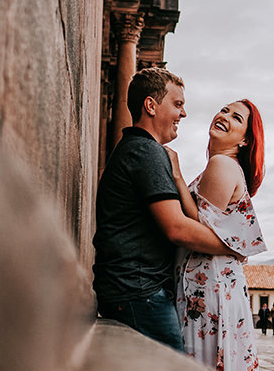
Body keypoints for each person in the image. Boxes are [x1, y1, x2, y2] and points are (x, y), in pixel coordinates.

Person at [93, 68, 236, 350]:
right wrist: (232, 246)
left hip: (132, 293)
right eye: (178, 104)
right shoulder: (146, 152)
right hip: (139, 295)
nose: (183, 114)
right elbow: (177, 228)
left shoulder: (136, 149)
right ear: (151, 105)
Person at [172, 98, 267, 371]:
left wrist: (175, 175)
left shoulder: (222, 164)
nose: (224, 116)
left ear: (245, 140)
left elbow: (196, 228)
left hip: (207, 287)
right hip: (217, 285)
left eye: (236, 118)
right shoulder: (225, 166)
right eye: (224, 110)